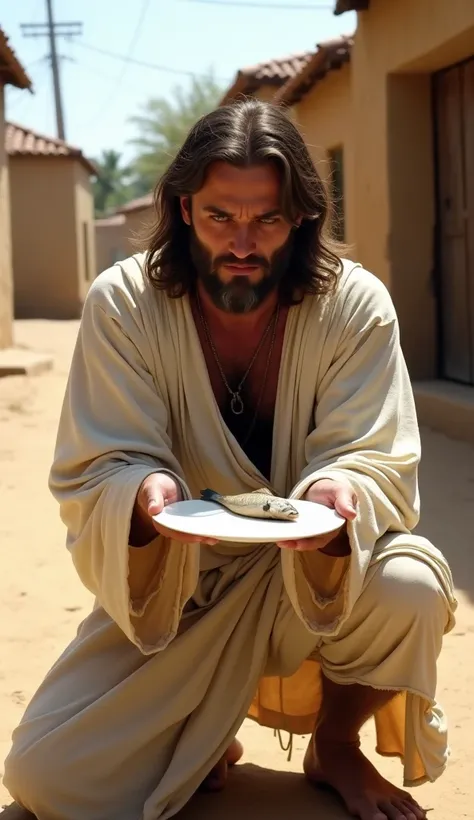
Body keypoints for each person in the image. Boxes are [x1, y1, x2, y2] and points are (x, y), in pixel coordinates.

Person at [3, 99, 456, 820]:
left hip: (310, 574)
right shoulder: (124, 304)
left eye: (266, 219)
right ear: (184, 208)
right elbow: (99, 463)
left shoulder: (355, 305)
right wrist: (144, 492)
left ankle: (336, 745)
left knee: (409, 585)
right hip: (182, 586)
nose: (242, 242)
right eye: (221, 216)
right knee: (47, 778)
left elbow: (375, 455)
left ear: (301, 218)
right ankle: (205, 735)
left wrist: (338, 492)